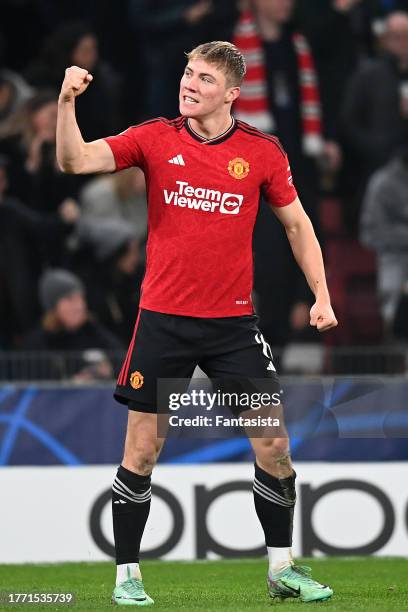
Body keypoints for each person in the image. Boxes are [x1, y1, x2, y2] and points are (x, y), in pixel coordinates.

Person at [56, 41, 337, 605]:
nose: (189, 84)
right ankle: (127, 577)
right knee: (142, 451)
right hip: (162, 321)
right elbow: (74, 161)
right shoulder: (155, 138)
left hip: (233, 325)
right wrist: (66, 102)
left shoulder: (261, 152)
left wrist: (321, 296)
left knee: (276, 445)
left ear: (232, 93)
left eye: (204, 79)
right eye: (187, 73)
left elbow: (298, 226)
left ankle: (282, 571)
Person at [21, 269, 123, 380]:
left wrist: (109, 371)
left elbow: (122, 361)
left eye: (81, 298)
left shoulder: (93, 332)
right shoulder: (36, 344)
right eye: (70, 299)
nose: (79, 306)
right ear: (53, 307)